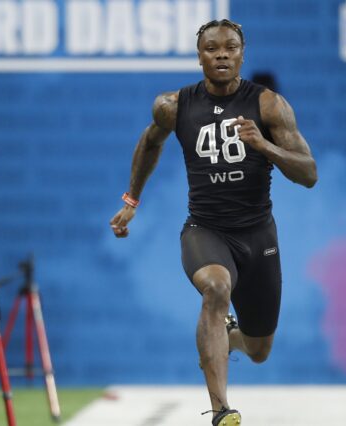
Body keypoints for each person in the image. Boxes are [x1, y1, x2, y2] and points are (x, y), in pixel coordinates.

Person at [110, 19, 317, 426]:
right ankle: (221, 409)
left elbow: (309, 173)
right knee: (216, 287)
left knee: (259, 351)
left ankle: (229, 335)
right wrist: (132, 199)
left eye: (230, 47)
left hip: (258, 236)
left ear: (242, 53)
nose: (221, 54)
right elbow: (150, 141)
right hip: (205, 230)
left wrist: (263, 144)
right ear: (199, 54)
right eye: (212, 48)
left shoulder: (269, 105)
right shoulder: (174, 105)